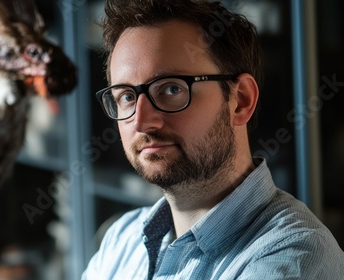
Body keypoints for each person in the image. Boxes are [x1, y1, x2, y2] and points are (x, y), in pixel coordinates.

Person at [82, 0, 344, 279]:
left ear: (240, 100)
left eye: (171, 89)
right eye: (127, 96)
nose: (142, 121)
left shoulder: (293, 256)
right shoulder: (122, 241)